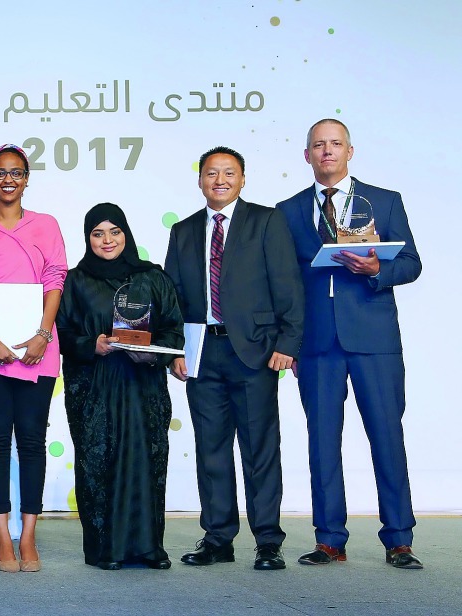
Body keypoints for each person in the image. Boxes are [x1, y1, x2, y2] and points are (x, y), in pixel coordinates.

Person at [276, 119, 423, 569]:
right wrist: (290, 342)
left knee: (386, 435)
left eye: (335, 144)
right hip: (317, 343)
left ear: (350, 151)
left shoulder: (384, 200)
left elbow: (412, 263)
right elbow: (284, 282)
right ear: (307, 155)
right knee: (322, 442)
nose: (327, 151)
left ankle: (399, 539)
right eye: (318, 145)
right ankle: (329, 540)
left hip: (374, 339)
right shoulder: (288, 210)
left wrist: (378, 270)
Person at [164, 146, 303, 571]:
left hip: (255, 352)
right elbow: (172, 298)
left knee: (260, 449)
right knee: (211, 450)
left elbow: (288, 284)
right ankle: (218, 538)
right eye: (211, 173)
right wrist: (175, 350)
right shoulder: (183, 230)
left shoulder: (266, 221)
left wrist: (288, 343)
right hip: (202, 353)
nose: (219, 180)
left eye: (228, 173)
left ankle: (268, 541)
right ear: (200, 180)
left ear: (242, 179)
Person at [56, 202, 183, 570]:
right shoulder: (76, 281)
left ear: (126, 234)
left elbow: (173, 329)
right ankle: (105, 550)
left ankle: (149, 548)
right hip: (94, 389)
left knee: (145, 461)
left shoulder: (152, 277)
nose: (107, 240)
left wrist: (153, 354)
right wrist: (91, 344)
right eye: (98, 233)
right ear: (88, 238)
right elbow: (60, 332)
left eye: (114, 231)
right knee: (99, 463)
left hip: (143, 386)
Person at [0, 144, 66, 573]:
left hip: (39, 350)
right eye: (1, 173)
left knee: (33, 442)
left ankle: (29, 534)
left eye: (16, 172)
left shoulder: (47, 224)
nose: (8, 180)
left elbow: (55, 279)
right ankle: (2, 533)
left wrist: (42, 335)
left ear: (26, 178)